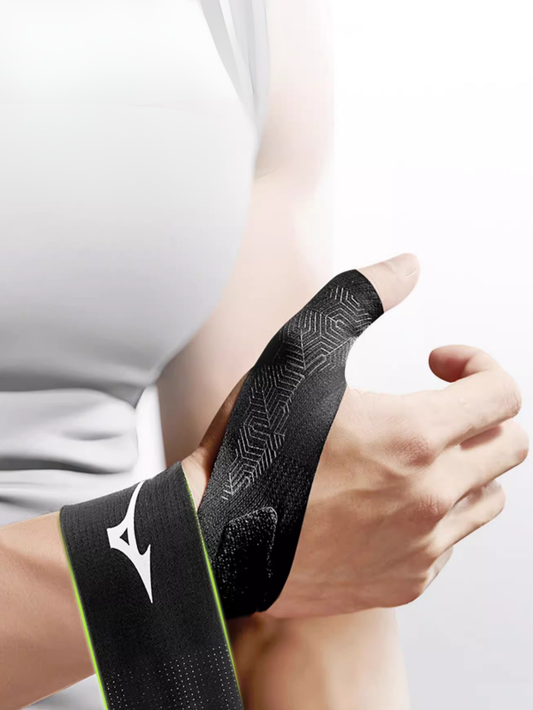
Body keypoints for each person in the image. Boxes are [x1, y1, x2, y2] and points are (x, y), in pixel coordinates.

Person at [0, 1, 528, 709]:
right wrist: (193, 552)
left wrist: (290, 527)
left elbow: (288, 585)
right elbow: (243, 542)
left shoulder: (245, 18)